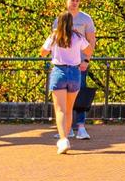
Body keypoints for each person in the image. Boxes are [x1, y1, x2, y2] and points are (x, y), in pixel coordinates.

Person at [38, 11, 90, 155]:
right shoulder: (77, 37)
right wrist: (84, 60)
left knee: (59, 109)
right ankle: (66, 136)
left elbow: (42, 52)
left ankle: (63, 139)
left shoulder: (54, 36)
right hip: (74, 72)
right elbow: (88, 48)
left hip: (59, 71)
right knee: (69, 108)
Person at [65, 0, 96, 140]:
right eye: (72, 0)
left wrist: (86, 60)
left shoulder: (85, 19)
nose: (75, 3)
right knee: (64, 96)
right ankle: (67, 127)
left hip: (79, 63)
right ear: (67, 1)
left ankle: (81, 127)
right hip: (64, 64)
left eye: (77, 1)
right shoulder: (60, 19)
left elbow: (91, 40)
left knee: (81, 93)